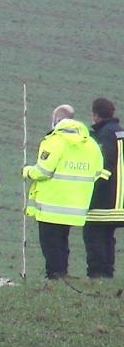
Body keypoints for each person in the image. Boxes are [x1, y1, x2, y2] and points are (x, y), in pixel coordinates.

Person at [23, 105, 106, 279]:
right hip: (75, 206)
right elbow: (98, 171)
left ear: (57, 120)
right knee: (62, 240)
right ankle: (62, 274)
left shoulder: (54, 141)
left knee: (50, 243)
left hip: (51, 204)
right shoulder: (90, 143)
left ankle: (55, 275)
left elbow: (43, 171)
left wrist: (27, 171)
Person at [84, 98, 123, 278]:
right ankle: (107, 274)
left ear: (95, 115)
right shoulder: (120, 132)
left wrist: (90, 192)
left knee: (94, 235)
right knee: (107, 237)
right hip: (120, 201)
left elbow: (104, 167)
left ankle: (97, 274)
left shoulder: (104, 134)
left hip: (105, 200)